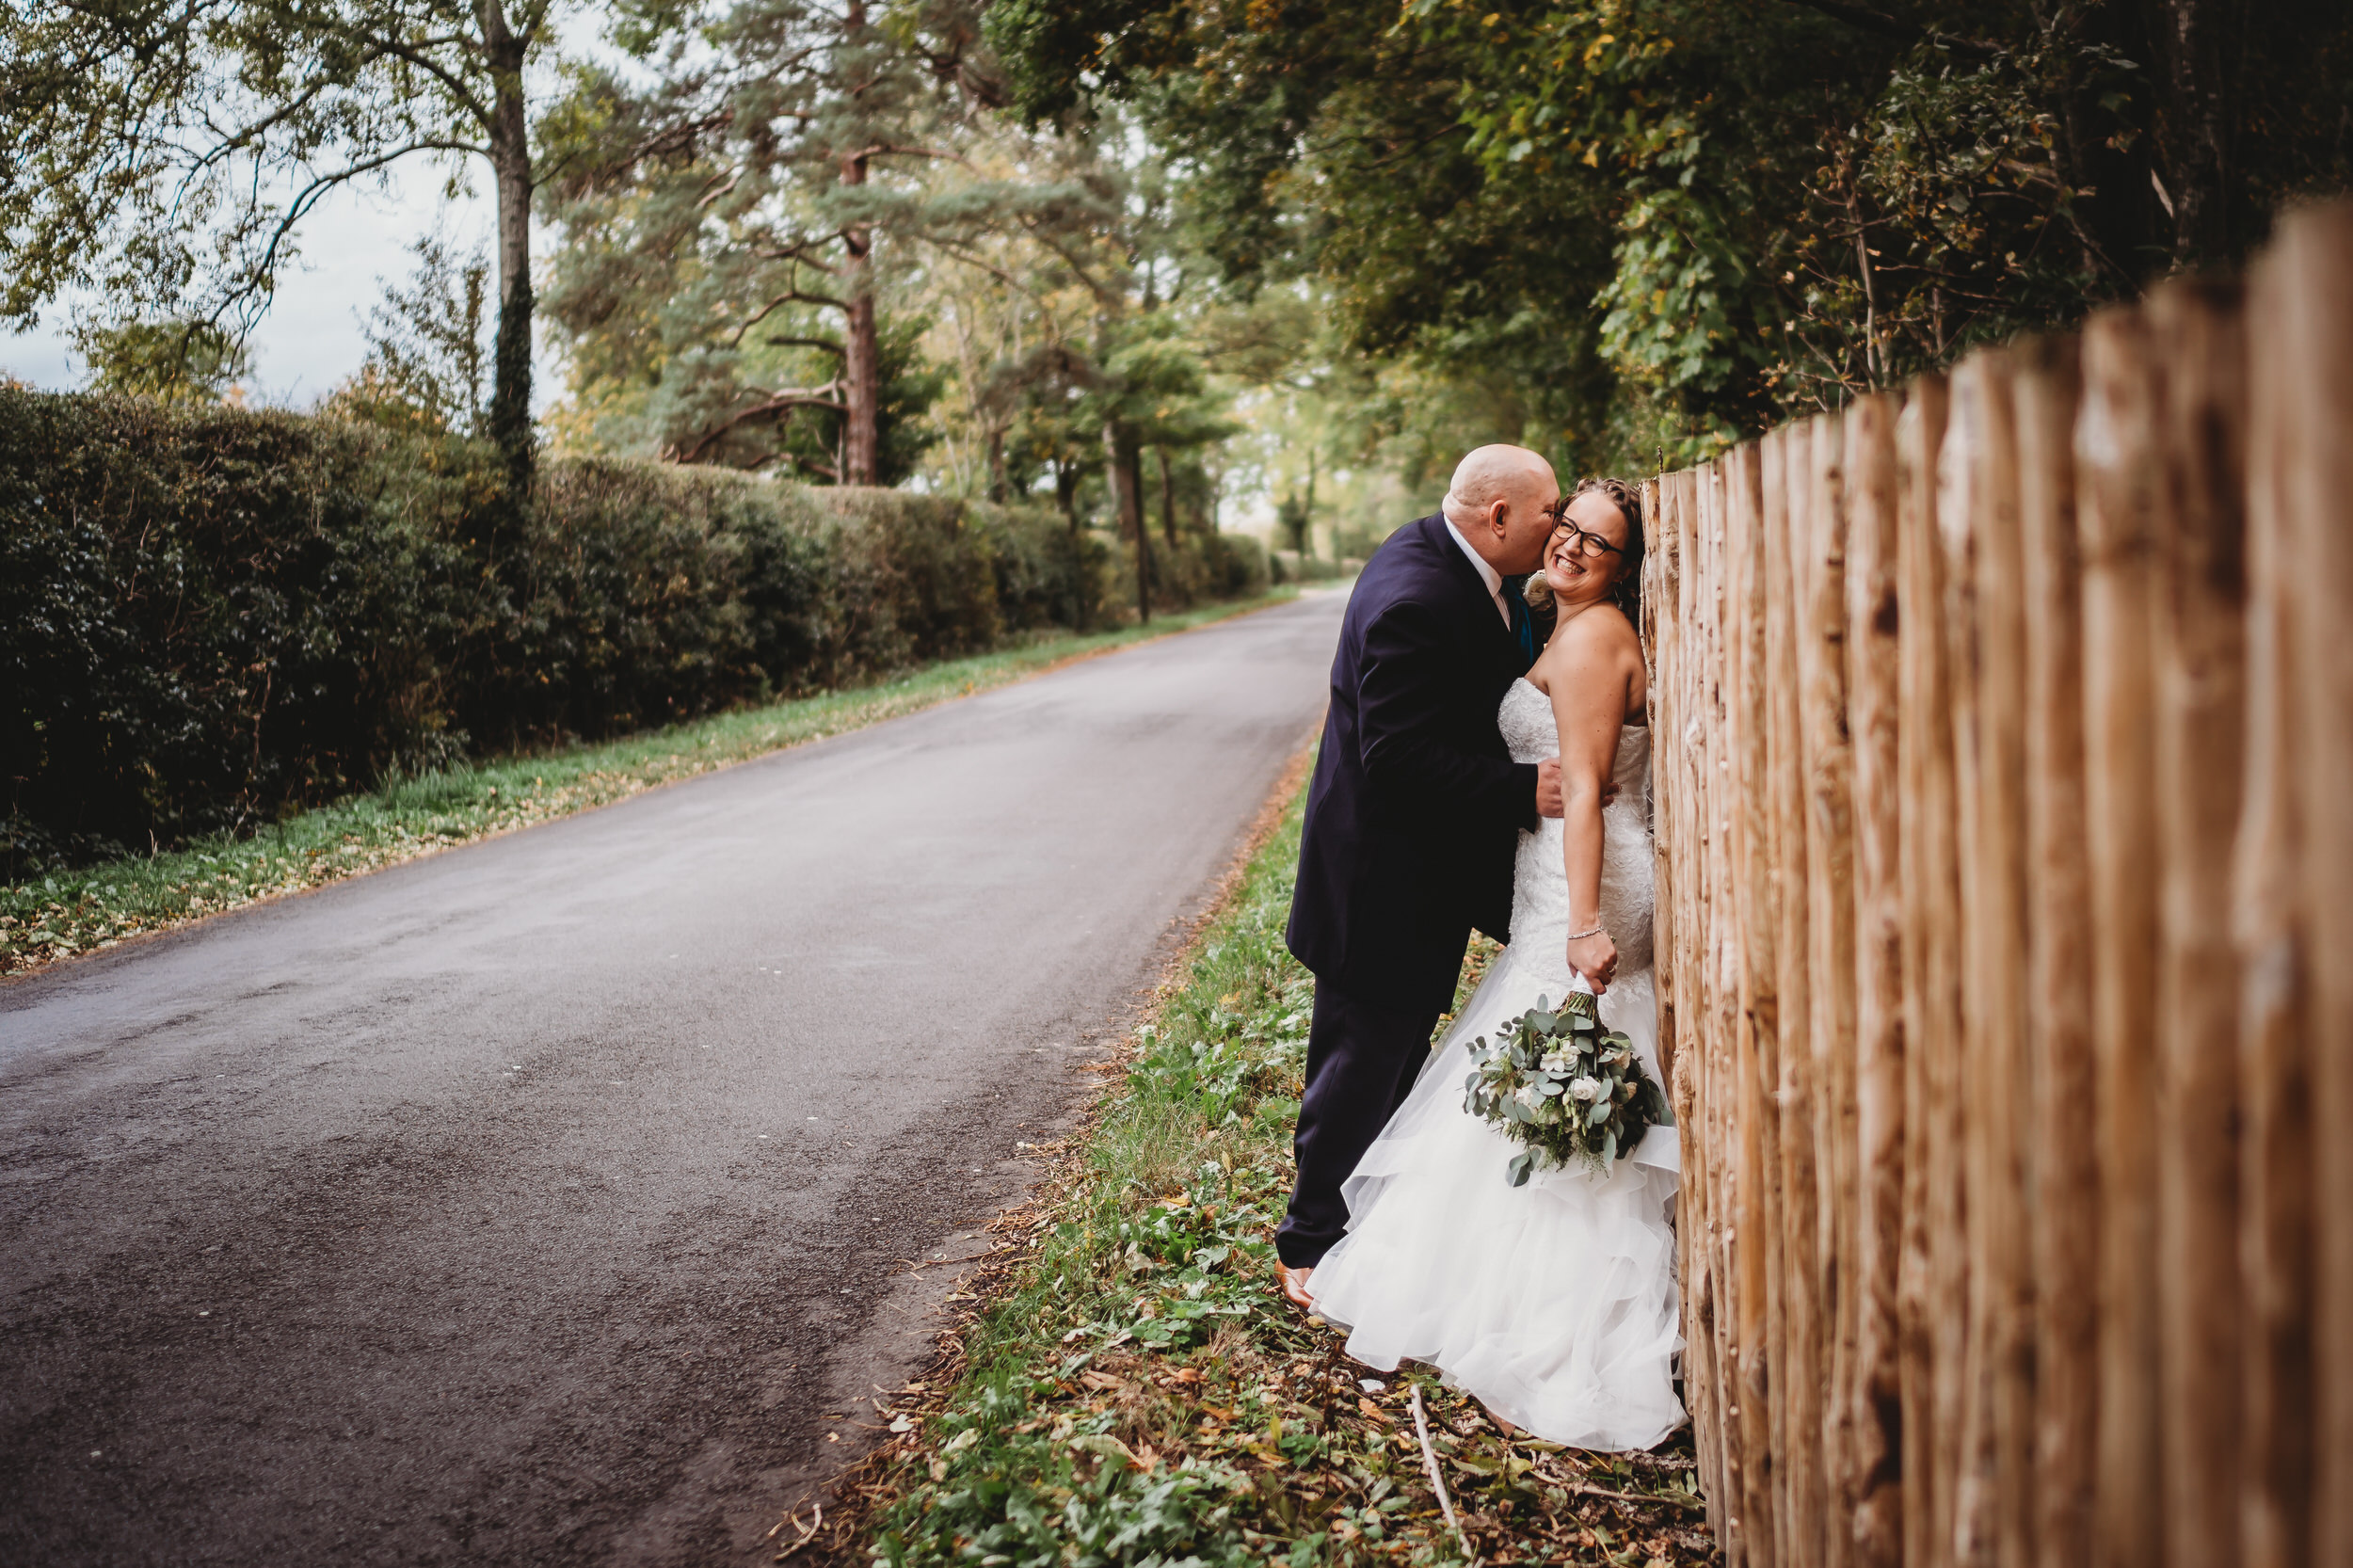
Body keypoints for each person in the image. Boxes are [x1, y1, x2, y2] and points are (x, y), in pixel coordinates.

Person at [1305, 477, 1684, 1452]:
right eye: (1567, 527)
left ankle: (1551, 1322)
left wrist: (1587, 921)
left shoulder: (1594, 641)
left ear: (1622, 567)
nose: (1571, 547)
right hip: (1551, 878)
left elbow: (1590, 794)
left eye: (1596, 543)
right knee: (1524, 1066)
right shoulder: (1549, 622)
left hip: (1583, 885)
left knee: (1566, 1066)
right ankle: (1485, 1288)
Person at [1277, 444, 1567, 1304]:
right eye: (1549, 509)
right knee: (1359, 1065)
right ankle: (1308, 1245)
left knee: (1394, 1062)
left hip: (1416, 877)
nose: (1557, 523)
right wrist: (1525, 787)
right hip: (1380, 883)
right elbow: (1395, 755)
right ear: (1499, 518)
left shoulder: (1454, 556)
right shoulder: (1416, 594)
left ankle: (1364, 1224)